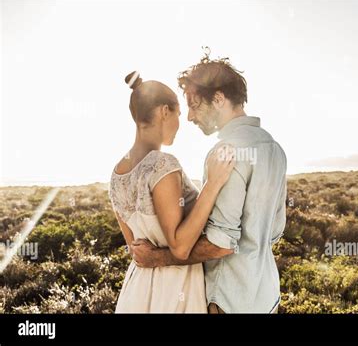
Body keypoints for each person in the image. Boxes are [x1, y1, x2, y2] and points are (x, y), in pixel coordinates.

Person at [132, 54, 288, 313]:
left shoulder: (226, 152)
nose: (190, 117)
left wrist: (157, 258)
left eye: (194, 105)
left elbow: (220, 244)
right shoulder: (274, 148)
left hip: (228, 301)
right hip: (266, 296)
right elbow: (274, 231)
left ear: (218, 99)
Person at [108, 71, 235, 313]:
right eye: (177, 113)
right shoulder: (162, 165)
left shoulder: (116, 175)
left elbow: (136, 250)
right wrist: (213, 183)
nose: (181, 124)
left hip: (137, 290)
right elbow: (180, 247)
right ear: (164, 111)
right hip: (176, 291)